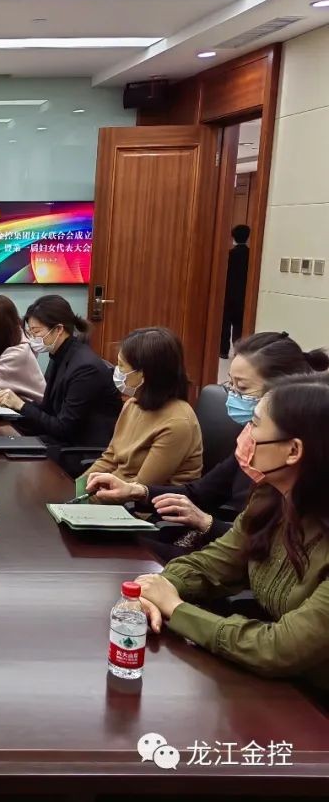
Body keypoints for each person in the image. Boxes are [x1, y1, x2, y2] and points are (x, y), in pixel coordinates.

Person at [134, 373, 329, 695]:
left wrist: (176, 609)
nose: (244, 434)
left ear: (293, 450)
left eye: (255, 424)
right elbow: (213, 563)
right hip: (276, 686)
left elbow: (279, 649)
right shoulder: (271, 497)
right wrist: (161, 587)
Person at [89, 332, 329, 556]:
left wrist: (207, 523)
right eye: (230, 384)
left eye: (242, 388)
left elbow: (270, 548)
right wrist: (136, 491)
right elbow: (201, 493)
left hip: (239, 556)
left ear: (281, 394)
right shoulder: (250, 441)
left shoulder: (300, 469)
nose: (232, 395)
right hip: (223, 547)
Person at [0, 295, 121, 450]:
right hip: (59, 440)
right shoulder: (59, 355)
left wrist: (21, 405)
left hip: (78, 449)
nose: (32, 338)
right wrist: (12, 405)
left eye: (36, 331)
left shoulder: (85, 368)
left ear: (59, 329)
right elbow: (48, 409)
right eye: (30, 332)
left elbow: (64, 429)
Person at [83, 327, 203, 489]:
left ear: (144, 374)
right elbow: (110, 459)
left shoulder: (177, 423)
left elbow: (142, 488)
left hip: (143, 502)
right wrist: (76, 488)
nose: (117, 371)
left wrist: (86, 497)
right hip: (113, 490)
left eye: (121, 366)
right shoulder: (132, 404)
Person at [220, 224, 250, 359]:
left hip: (228, 293)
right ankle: (238, 350)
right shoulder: (251, 256)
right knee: (239, 325)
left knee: (225, 324)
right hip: (243, 294)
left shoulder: (229, 255)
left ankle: (223, 351)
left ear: (233, 237)